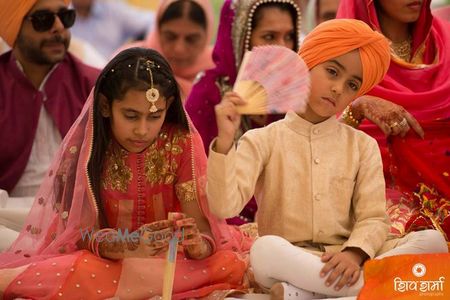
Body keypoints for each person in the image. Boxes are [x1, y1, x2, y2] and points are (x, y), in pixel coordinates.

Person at [206, 19, 448, 299]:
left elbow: (373, 217)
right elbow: (224, 206)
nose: (338, 88)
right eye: (332, 72)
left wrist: (354, 254)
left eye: (351, 85)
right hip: (291, 258)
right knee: (264, 249)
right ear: (305, 65)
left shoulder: (362, 146)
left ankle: (305, 294)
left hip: (350, 260)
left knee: (432, 241)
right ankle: (366, 289)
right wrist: (225, 140)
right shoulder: (262, 140)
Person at [0, 47, 251, 299]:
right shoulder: (88, 150)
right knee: (80, 268)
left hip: (173, 262)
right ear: (105, 106)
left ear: (169, 106)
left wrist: (197, 246)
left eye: (155, 116)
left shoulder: (181, 144)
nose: (142, 130)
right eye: (131, 116)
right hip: (108, 261)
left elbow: (204, 230)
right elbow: (80, 236)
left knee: (223, 265)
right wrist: (128, 245)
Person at [337, 0, 450, 239]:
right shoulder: (342, 52)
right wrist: (357, 108)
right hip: (374, 209)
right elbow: (314, 150)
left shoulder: (446, 42)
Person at [185, 0, 301, 226]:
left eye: (289, 37)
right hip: (223, 225)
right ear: (240, 40)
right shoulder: (208, 94)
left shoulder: (295, 99)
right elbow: (193, 187)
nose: (283, 48)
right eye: (269, 37)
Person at [0, 0, 100, 250]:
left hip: (75, 215)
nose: (58, 28)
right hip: (7, 214)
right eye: (43, 20)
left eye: (65, 17)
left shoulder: (95, 84)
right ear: (14, 28)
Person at [119, 0, 215, 99]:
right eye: (170, 37)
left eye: (191, 39)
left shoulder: (220, 72)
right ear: (158, 31)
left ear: (207, 35)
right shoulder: (127, 63)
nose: (179, 49)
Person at [71, 0, 155, 59]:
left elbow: (152, 20)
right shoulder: (62, 15)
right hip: (76, 76)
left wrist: (145, 47)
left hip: (112, 75)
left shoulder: (113, 8)